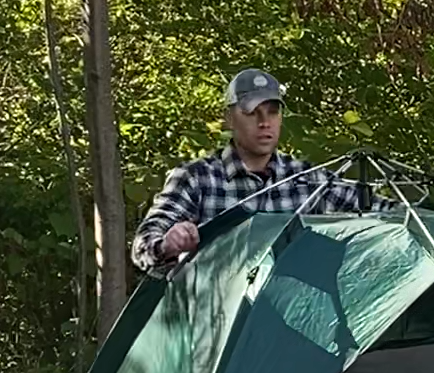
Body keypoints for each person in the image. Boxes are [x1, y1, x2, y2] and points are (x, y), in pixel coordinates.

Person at [131, 68, 384, 273]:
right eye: (252, 113)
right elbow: (142, 245)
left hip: (297, 321)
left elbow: (379, 209)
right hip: (221, 328)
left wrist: (412, 216)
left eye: (273, 112)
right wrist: (166, 244)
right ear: (229, 118)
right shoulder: (198, 179)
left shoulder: (306, 179)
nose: (265, 123)